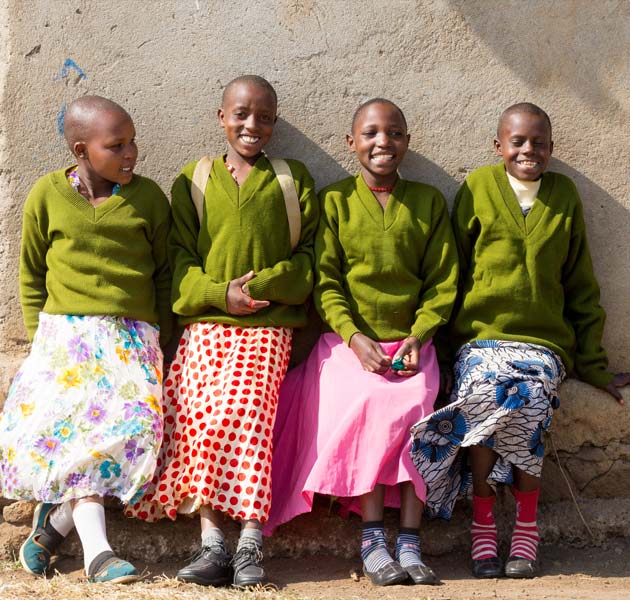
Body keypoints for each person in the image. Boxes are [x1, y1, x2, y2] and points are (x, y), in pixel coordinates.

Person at [411, 102, 630, 579]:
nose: (529, 150)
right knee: (486, 391)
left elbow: (581, 284)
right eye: (518, 142)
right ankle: (485, 524)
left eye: (539, 143)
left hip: (542, 346)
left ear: (551, 149)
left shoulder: (563, 194)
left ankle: (525, 527)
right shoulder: (476, 189)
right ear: (499, 147)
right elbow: (453, 275)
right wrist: (443, 353)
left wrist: (592, 364)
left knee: (526, 395)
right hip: (482, 342)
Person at [125, 75, 318, 588]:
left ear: (274, 124)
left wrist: (266, 287)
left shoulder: (290, 179)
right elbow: (181, 263)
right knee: (199, 418)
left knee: (248, 415)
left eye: (264, 117)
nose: (252, 125)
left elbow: (308, 260)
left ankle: (251, 543)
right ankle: (213, 545)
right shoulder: (195, 179)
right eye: (241, 114)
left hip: (267, 326)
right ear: (221, 117)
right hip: (206, 325)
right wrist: (219, 294)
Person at [266, 98, 459, 587]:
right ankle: (374, 538)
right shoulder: (335, 202)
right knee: (369, 400)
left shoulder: (428, 203)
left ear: (407, 143)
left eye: (394, 133)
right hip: (349, 346)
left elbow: (442, 282)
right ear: (351, 143)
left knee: (417, 407)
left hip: (413, 344)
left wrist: (419, 335)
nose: (383, 143)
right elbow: (326, 283)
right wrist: (354, 338)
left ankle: (410, 541)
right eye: (371, 133)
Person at [0, 96, 172, 583]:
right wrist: (42, 343)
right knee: (82, 436)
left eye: (132, 141)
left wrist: (163, 340)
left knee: (131, 430)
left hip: (131, 338)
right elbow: (32, 274)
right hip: (65, 340)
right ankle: (99, 555)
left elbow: (162, 276)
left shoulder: (149, 199)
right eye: (116, 146)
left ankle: (54, 525)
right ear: (81, 149)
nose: (131, 153)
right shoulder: (47, 195)